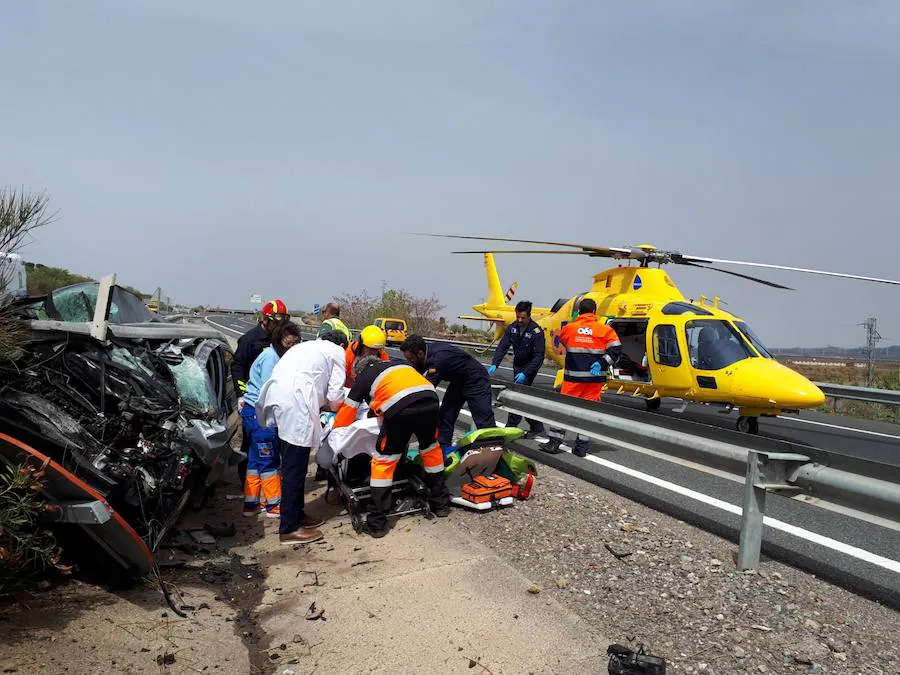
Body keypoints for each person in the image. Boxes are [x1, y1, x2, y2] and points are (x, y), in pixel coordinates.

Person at [335, 355, 451, 537]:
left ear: (359, 371)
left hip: (401, 409)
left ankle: (377, 523)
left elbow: (348, 410)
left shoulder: (365, 375)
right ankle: (441, 504)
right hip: (431, 401)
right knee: (431, 451)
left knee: (385, 461)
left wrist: (337, 433)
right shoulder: (400, 364)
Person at [256, 330, 349, 545]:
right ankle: (289, 528)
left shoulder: (305, 347)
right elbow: (335, 400)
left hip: (278, 399)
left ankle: (297, 514)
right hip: (296, 403)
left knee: (290, 463)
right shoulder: (337, 352)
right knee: (294, 468)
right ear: (343, 344)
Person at [240, 321, 301, 518]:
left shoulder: (274, 355)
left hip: (253, 412)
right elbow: (270, 390)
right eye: (290, 342)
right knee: (269, 459)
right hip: (260, 414)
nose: (292, 346)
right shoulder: (270, 358)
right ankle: (274, 505)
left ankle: (251, 503)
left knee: (254, 460)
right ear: (281, 340)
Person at [547, 298, 622, 457]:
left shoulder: (569, 328)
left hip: (573, 379)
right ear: (594, 312)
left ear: (579, 312)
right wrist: (602, 363)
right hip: (594, 380)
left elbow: (562, 342)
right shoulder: (605, 330)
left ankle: (554, 443)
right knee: (587, 413)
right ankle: (581, 448)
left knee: (564, 410)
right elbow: (616, 350)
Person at [231, 299, 290, 482]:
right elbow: (237, 366)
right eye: (275, 322)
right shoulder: (250, 339)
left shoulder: (280, 342)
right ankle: (247, 483)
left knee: (272, 442)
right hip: (253, 397)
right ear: (265, 319)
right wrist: (241, 394)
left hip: (272, 398)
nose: (278, 327)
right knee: (250, 443)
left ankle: (267, 481)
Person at [401, 335, 496, 449]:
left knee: (483, 418)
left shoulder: (437, 360)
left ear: (420, 353)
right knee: (446, 415)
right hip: (458, 381)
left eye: (411, 359)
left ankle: (493, 449)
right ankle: (443, 450)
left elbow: (426, 389)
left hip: (476, 379)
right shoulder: (425, 354)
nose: (410, 362)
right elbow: (415, 376)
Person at [487, 300, 546, 436]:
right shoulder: (512, 328)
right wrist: (495, 363)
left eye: (523, 318)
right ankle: (536, 427)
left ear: (529, 316)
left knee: (517, 394)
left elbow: (539, 356)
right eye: (517, 316)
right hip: (518, 364)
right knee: (523, 396)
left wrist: (526, 373)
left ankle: (510, 426)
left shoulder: (536, 331)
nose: (519, 320)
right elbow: (503, 347)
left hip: (530, 366)